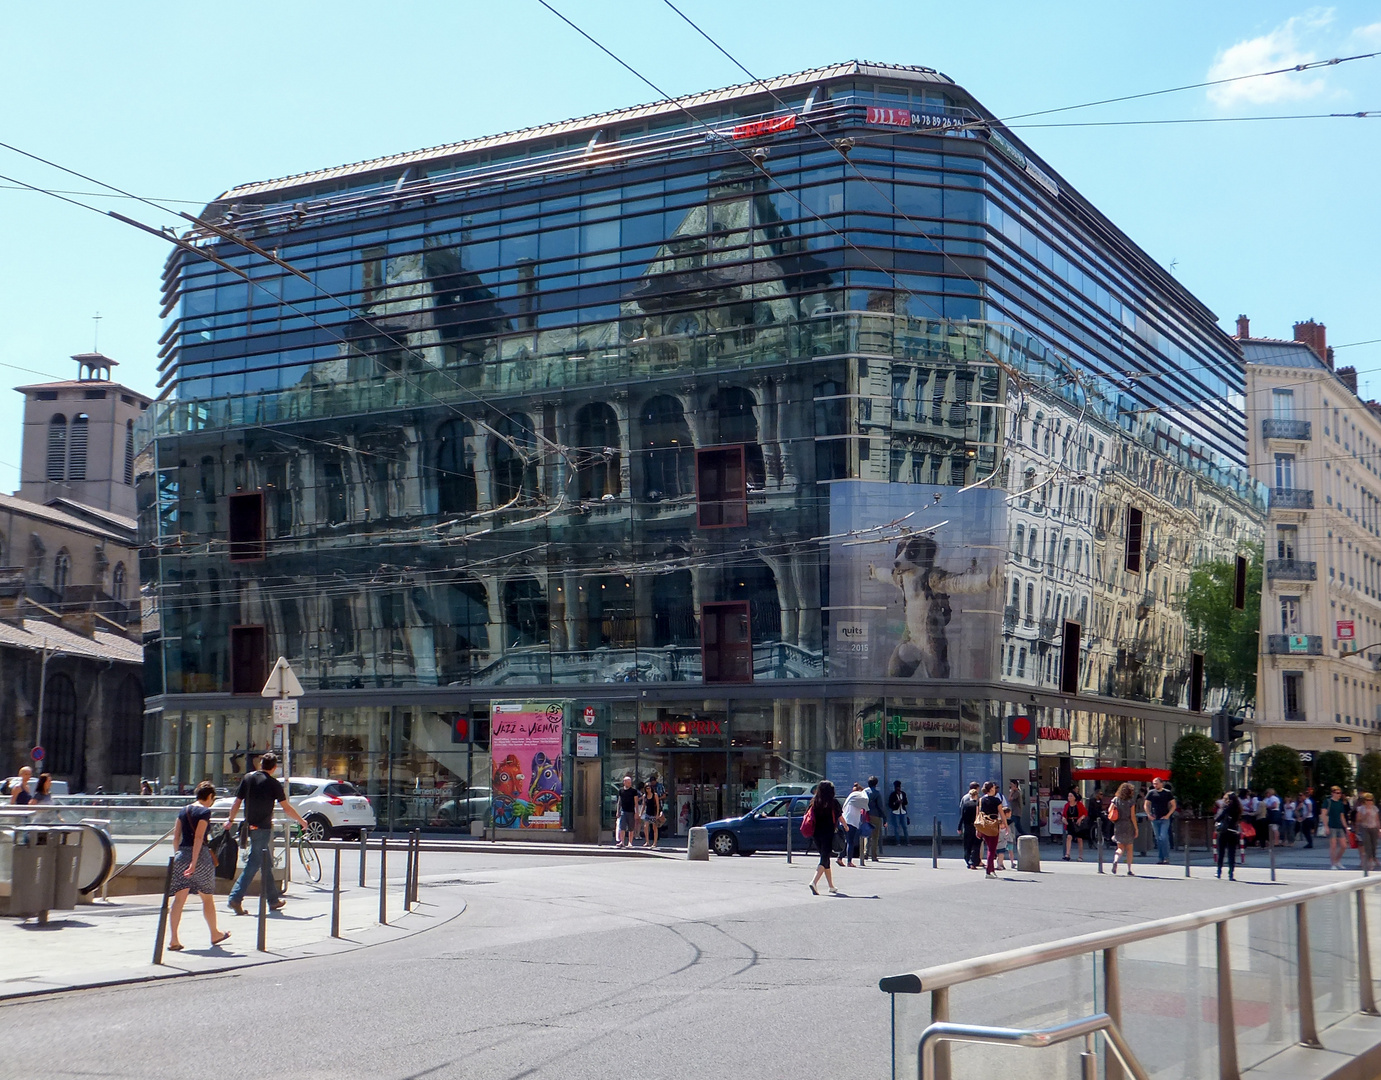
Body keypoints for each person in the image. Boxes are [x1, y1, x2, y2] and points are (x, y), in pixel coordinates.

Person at [223, 753, 309, 915]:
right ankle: (235, 898)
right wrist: (301, 821)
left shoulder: (248, 778)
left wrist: (230, 819)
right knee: (254, 864)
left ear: (261, 764)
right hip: (262, 828)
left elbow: (237, 802)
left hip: (248, 826)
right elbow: (286, 808)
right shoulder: (273, 784)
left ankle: (273, 900)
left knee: (266, 864)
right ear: (274, 767)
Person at [167, 781, 231, 951]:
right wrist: (193, 863)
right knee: (207, 897)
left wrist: (179, 856)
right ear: (209, 796)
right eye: (213, 799)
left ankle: (173, 939)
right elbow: (198, 838)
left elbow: (176, 837)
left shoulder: (184, 810)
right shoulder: (204, 812)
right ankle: (215, 933)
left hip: (181, 855)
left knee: (179, 899)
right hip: (200, 857)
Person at [808, 781, 842, 895]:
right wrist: (846, 827)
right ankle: (814, 882)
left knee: (825, 858)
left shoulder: (814, 802)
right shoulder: (833, 802)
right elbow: (840, 816)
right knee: (824, 858)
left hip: (816, 834)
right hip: (828, 833)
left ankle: (831, 886)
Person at [977, 781, 1007, 878]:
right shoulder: (996, 800)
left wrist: (978, 829)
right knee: (992, 849)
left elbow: (978, 815)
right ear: (991, 789)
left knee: (989, 847)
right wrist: (1006, 826)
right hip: (994, 825)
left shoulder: (981, 800)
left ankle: (991, 870)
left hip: (984, 825)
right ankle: (989, 871)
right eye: (994, 788)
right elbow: (1002, 814)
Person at [1144, 777, 1177, 865]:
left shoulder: (1167, 793)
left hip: (1164, 818)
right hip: (1155, 818)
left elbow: (1173, 805)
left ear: (1161, 783)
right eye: (1154, 783)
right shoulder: (1151, 793)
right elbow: (1146, 804)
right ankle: (1160, 858)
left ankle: (1166, 857)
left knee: (1163, 837)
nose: (1155, 785)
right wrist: (1149, 815)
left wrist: (1168, 815)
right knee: (1158, 839)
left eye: (1157, 783)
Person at [1110, 782, 1139, 876]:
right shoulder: (1131, 801)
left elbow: (1109, 810)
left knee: (1120, 848)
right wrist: (1136, 828)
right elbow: (1132, 816)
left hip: (1118, 824)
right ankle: (1129, 869)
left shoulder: (1115, 799)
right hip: (1128, 825)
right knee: (1129, 848)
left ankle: (1115, 860)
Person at [1215, 791, 1243, 880]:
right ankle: (1231, 873)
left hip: (1224, 831)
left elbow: (1218, 818)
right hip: (1234, 831)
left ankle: (1219, 871)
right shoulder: (1238, 808)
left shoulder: (1226, 808)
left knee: (1221, 852)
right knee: (1232, 853)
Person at [840, 782, 870, 868]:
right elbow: (866, 800)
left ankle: (840, 857)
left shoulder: (852, 797)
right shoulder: (858, 796)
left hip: (845, 821)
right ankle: (849, 861)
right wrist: (865, 791)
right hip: (851, 822)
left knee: (847, 841)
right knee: (851, 842)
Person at [1324, 786, 1352, 870]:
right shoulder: (1328, 802)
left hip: (1339, 826)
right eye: (1337, 793)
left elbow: (1342, 816)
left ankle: (1337, 860)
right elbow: (1323, 814)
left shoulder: (1340, 803)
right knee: (1333, 846)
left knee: (1344, 845)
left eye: (1340, 793)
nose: (1339, 795)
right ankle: (1333, 864)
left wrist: (1346, 827)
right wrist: (1326, 827)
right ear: (1332, 793)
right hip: (1331, 825)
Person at [958, 782, 981, 870]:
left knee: (967, 845)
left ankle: (967, 860)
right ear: (976, 795)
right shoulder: (978, 805)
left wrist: (959, 827)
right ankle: (974, 861)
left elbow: (962, 817)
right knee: (976, 845)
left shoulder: (966, 804)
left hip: (967, 827)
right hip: (976, 826)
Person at [1356, 793, 1381, 872]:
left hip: (1373, 828)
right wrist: (1365, 816)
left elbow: (1377, 819)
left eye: (1371, 800)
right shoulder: (1361, 809)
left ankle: (1374, 858)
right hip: (1365, 828)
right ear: (1364, 801)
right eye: (1368, 800)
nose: (1369, 802)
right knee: (1367, 845)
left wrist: (1379, 829)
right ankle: (1370, 862)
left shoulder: (1375, 808)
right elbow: (1358, 820)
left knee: (1374, 845)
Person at [864, 776, 886, 862]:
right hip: (875, 815)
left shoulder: (864, 792)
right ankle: (873, 855)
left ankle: (865, 853)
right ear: (876, 784)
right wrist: (884, 817)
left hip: (865, 815)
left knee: (866, 835)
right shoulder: (877, 793)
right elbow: (880, 806)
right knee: (875, 836)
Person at [1061, 791, 1086, 861]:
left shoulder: (1079, 804)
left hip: (1078, 823)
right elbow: (1063, 815)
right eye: (1069, 796)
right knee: (1069, 837)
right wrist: (1063, 819)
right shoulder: (1066, 805)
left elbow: (1085, 813)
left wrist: (1080, 818)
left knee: (1079, 839)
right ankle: (1067, 854)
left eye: (1071, 796)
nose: (1069, 797)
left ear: (1075, 797)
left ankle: (1080, 856)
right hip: (1070, 822)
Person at [614, 775, 638, 849]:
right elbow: (619, 801)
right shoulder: (621, 790)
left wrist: (637, 812)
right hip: (623, 811)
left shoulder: (634, 791)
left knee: (631, 827)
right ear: (624, 782)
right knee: (622, 827)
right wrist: (618, 811)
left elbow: (636, 802)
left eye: (630, 782)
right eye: (628, 782)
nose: (629, 783)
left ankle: (630, 842)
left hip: (631, 811)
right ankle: (622, 842)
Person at [888, 779, 909, 846]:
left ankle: (908, 842)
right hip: (896, 812)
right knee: (896, 827)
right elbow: (890, 804)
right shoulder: (892, 795)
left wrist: (902, 802)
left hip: (903, 812)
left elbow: (906, 802)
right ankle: (898, 842)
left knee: (905, 827)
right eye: (897, 787)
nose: (898, 789)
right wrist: (896, 803)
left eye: (899, 787)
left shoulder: (903, 794)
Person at [641, 777, 661, 848]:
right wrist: (641, 813)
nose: (648, 789)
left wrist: (657, 814)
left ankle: (655, 843)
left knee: (654, 828)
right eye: (646, 788)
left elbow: (658, 805)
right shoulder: (644, 796)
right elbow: (643, 805)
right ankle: (647, 841)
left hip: (654, 813)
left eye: (649, 788)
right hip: (647, 813)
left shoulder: (655, 795)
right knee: (645, 827)